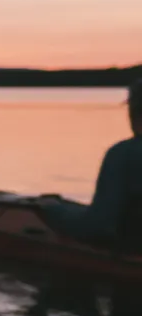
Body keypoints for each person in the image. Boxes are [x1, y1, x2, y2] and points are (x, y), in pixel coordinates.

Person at [40, 78, 142, 249]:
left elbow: (97, 225)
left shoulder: (124, 153)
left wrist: (53, 211)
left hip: (129, 246)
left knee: (52, 206)